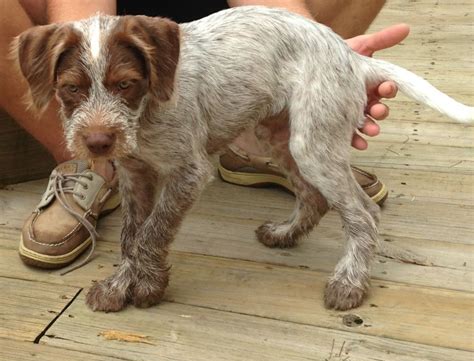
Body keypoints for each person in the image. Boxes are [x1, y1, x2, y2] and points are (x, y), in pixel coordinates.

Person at [1, 0, 409, 268]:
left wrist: (323, 56)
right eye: (73, 90)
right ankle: (87, 165)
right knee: (131, 162)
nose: (97, 119)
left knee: (313, 157)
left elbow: (191, 175)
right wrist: (71, 37)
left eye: (122, 87)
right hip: (105, 24)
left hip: (201, 38)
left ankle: (356, 244)